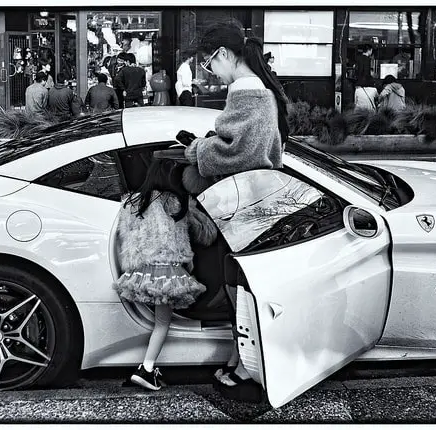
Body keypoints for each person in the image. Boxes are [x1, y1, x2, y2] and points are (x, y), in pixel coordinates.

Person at [174, 20, 288, 401]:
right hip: (250, 210)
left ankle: (248, 369)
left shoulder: (250, 95)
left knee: (243, 291)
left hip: (248, 213)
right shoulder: (255, 93)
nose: (212, 73)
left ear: (223, 55)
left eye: (209, 65)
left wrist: (197, 151)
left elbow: (239, 152)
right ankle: (241, 358)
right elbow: (240, 144)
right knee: (238, 288)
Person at [114, 157, 218, 391]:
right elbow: (207, 235)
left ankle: (147, 367)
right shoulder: (179, 203)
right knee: (163, 324)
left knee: (156, 321)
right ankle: (147, 369)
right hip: (169, 271)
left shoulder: (132, 202)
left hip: (141, 271)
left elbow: (126, 239)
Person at [354, 44, 377, 111]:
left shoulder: (358, 58)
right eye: (371, 50)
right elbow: (367, 72)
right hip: (366, 84)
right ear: (369, 50)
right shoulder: (368, 59)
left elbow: (357, 70)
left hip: (358, 83)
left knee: (359, 101)